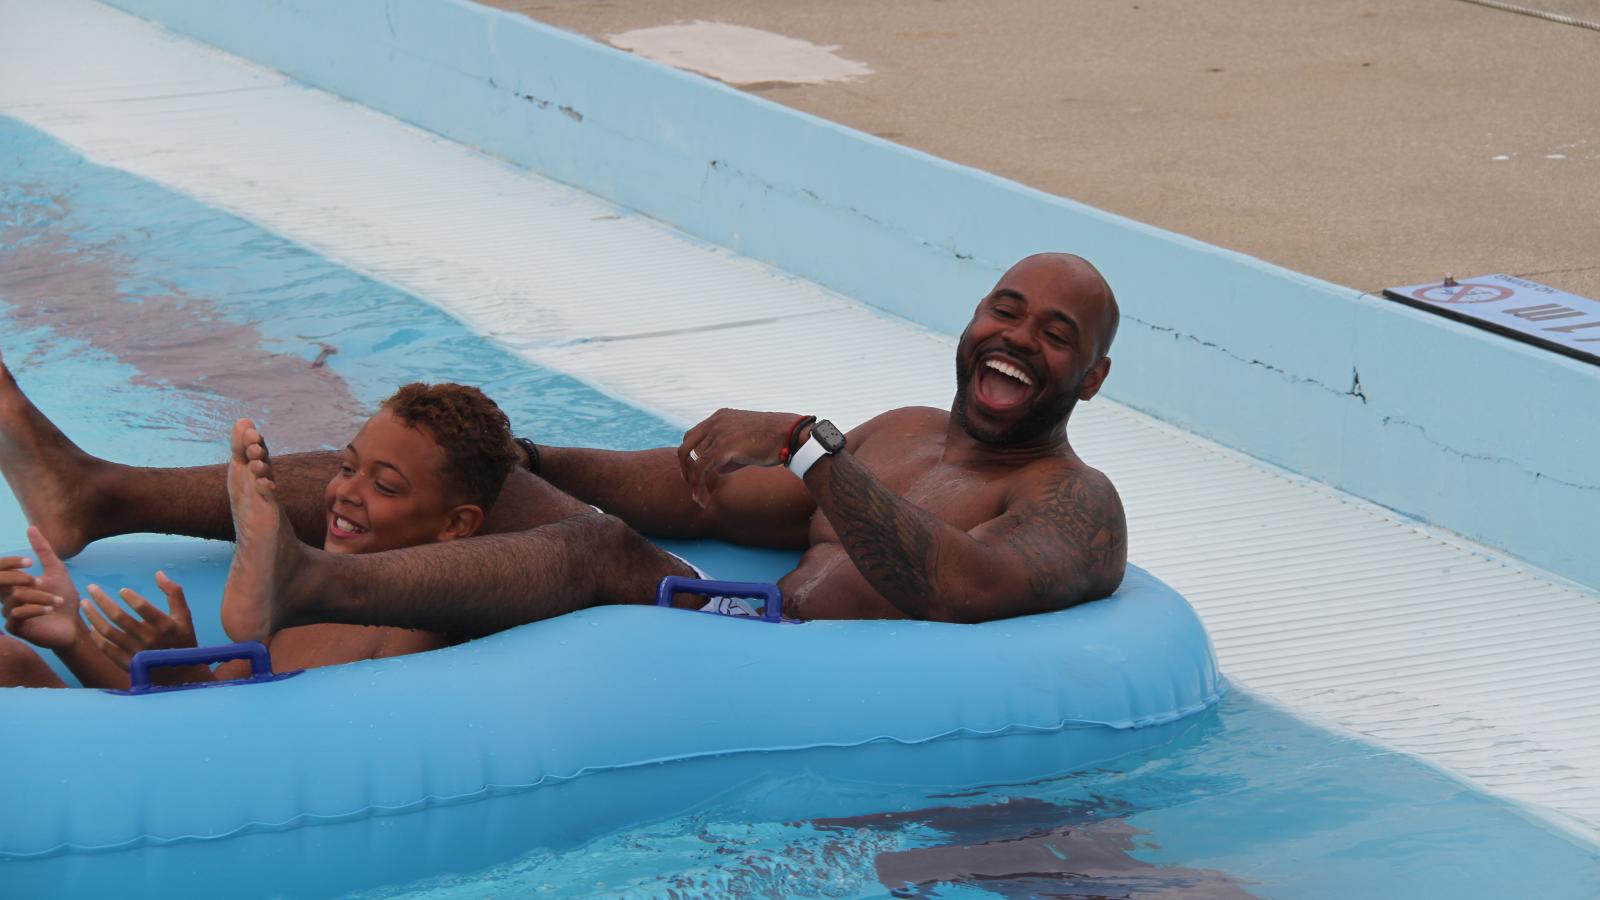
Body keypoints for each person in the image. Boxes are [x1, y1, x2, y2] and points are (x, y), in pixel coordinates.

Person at [1, 252, 1125, 641]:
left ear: (1091, 377)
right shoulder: (902, 435)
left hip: (771, 647)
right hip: (739, 614)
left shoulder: (1079, 506)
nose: (1016, 340)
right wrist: (515, 454)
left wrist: (821, 450)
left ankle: (305, 582)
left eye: (1055, 336)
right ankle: (97, 491)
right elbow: (699, 506)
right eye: (1006, 309)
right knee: (449, 457)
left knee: (597, 555)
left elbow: (959, 583)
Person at [0, 383, 520, 687]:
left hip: (203, 799)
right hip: (169, 756)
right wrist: (71, 639)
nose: (346, 492)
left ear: (455, 525)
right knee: (14, 659)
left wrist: (186, 675)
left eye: (384, 485)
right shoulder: (300, 608)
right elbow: (163, 725)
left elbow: (250, 761)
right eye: (345, 466)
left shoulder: (409, 637)